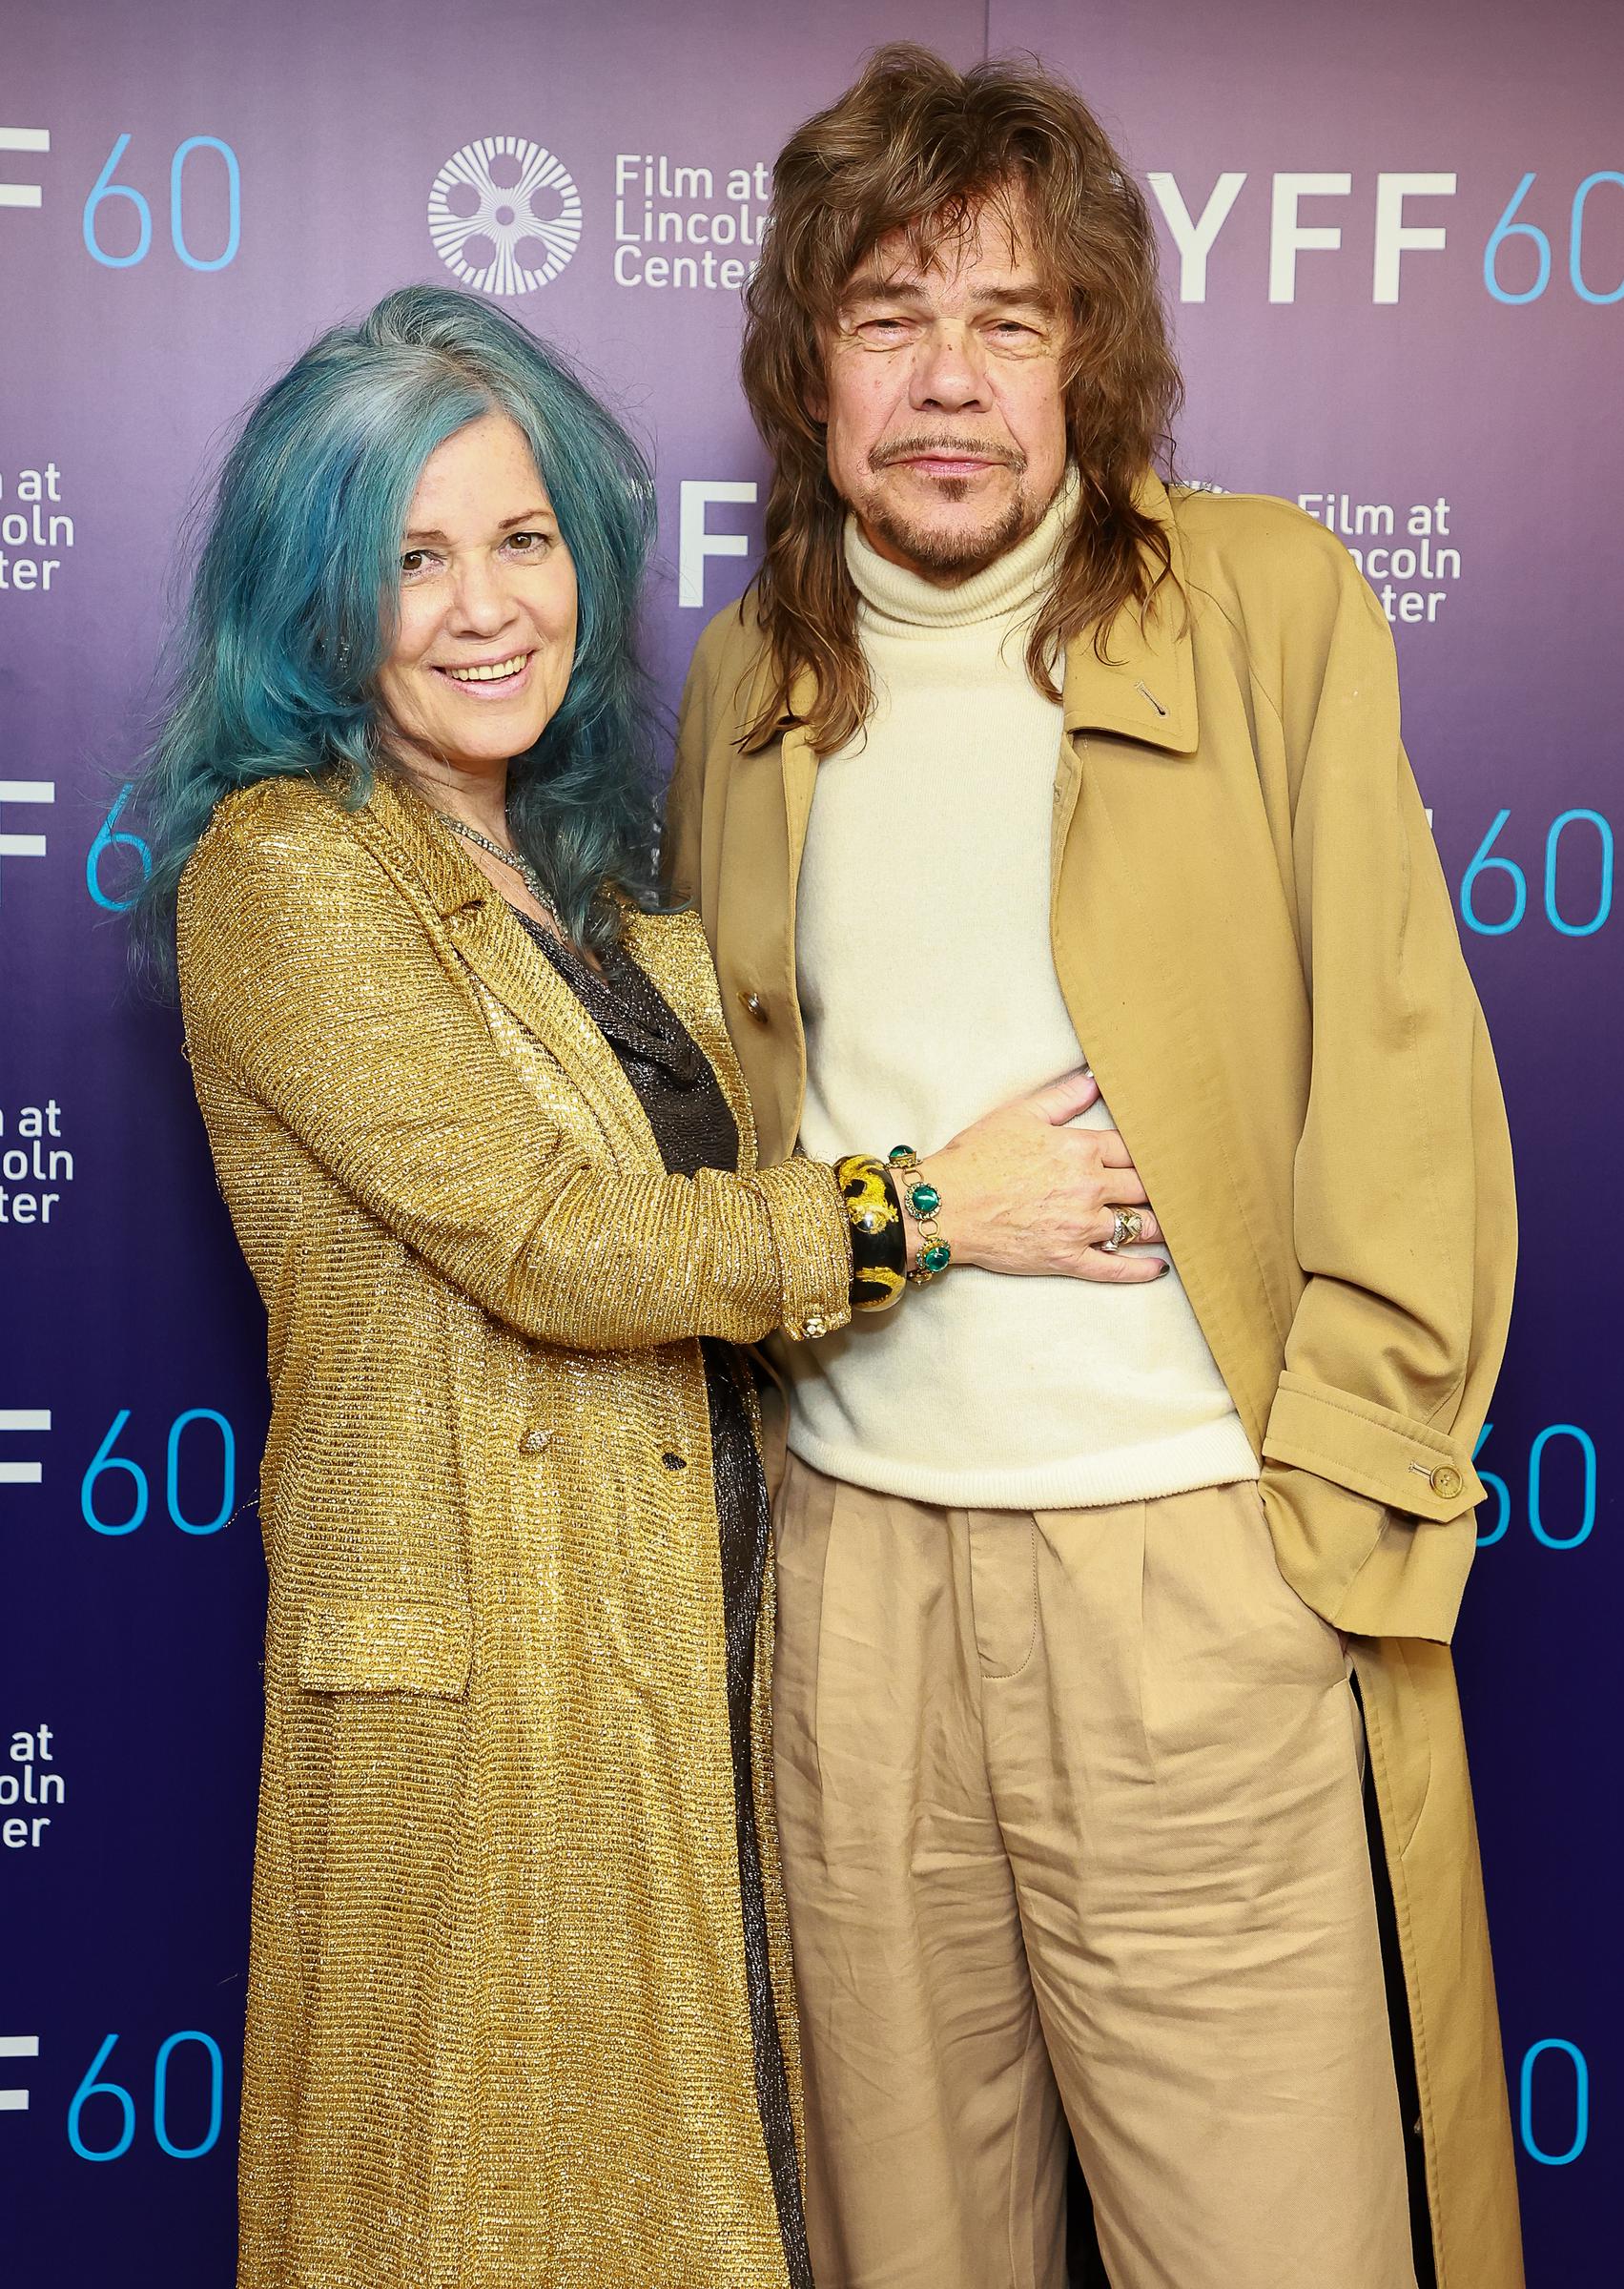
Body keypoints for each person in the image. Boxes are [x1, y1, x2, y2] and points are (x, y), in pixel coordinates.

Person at [132, 282, 1136, 2289]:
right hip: (480, 1690)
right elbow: (556, 1242)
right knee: (484, 2221)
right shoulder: (286, 870)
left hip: (688, 1641)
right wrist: (931, 1208)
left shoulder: (591, 887)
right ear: (314, 600)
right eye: (408, 558)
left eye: (521, 540)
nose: (483, 603)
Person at [668, 46, 1523, 2289]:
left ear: (1092, 361)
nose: (948, 382)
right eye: (887, 317)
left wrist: (1318, 1534)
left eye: (1010, 319)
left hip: (1188, 1583)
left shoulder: (1265, 607)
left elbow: (1411, 1090)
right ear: (808, 368)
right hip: (855, 1600)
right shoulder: (745, 670)